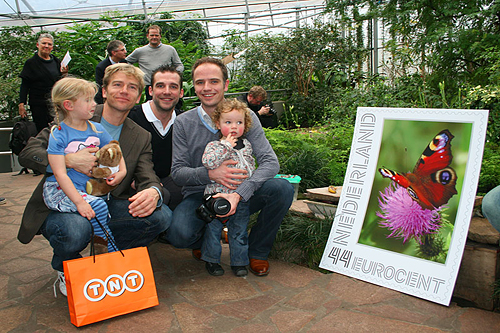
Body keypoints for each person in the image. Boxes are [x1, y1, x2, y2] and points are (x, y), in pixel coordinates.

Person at [17, 63, 172, 296]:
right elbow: (29, 153)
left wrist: (153, 192)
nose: (124, 91)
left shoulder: (140, 135)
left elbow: (147, 174)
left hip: (106, 200)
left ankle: (108, 259)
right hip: (66, 201)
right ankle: (65, 265)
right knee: (76, 229)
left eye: (131, 87)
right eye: (117, 84)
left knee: (160, 216)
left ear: (139, 96)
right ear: (104, 90)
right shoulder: (77, 114)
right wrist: (68, 160)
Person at [165, 57, 294, 276]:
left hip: (242, 191)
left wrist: (240, 193)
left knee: (282, 189)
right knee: (179, 234)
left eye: (214, 81)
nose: (207, 88)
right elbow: (178, 172)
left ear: (225, 85)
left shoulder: (245, 116)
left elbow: (271, 162)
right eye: (200, 82)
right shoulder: (183, 122)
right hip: (202, 194)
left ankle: (257, 252)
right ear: (193, 86)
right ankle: (203, 239)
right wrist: (211, 174)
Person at [43, 77, 126, 253]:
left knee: (100, 206)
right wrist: (79, 202)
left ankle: (102, 241)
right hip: (61, 190)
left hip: (87, 189)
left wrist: (122, 171)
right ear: (69, 105)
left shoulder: (96, 128)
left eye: (93, 99)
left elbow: (114, 148)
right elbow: (60, 174)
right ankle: (105, 244)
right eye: (87, 100)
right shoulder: (58, 134)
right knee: (99, 207)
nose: (94, 104)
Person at [200, 98, 256, 277]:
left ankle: (239, 262)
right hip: (218, 197)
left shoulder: (246, 145)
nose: (234, 126)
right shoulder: (215, 145)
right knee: (213, 230)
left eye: (239, 122)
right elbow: (208, 162)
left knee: (239, 230)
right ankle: (211, 260)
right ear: (218, 123)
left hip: (239, 197)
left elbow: (250, 164)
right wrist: (225, 147)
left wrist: (250, 178)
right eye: (228, 122)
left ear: (245, 125)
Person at [129, 64, 184, 210]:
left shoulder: (183, 121)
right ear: (151, 90)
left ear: (181, 92)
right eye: (160, 86)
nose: (167, 92)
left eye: (173, 87)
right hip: (135, 182)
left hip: (169, 180)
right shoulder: (131, 117)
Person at [19, 33, 69, 133]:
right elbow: (25, 84)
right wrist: (21, 104)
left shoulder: (56, 61)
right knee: (42, 130)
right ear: (38, 45)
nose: (46, 46)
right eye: (44, 43)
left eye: (49, 44)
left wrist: (64, 73)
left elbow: (59, 81)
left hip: (55, 102)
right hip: (38, 104)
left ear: (52, 47)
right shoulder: (31, 63)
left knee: (57, 128)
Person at [126, 25, 184, 101]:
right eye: (152, 35)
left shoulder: (170, 50)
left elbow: (179, 65)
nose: (154, 37)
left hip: (168, 84)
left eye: (156, 35)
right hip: (150, 86)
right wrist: (136, 74)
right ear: (147, 36)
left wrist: (174, 74)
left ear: (160, 36)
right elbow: (126, 62)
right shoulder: (139, 51)